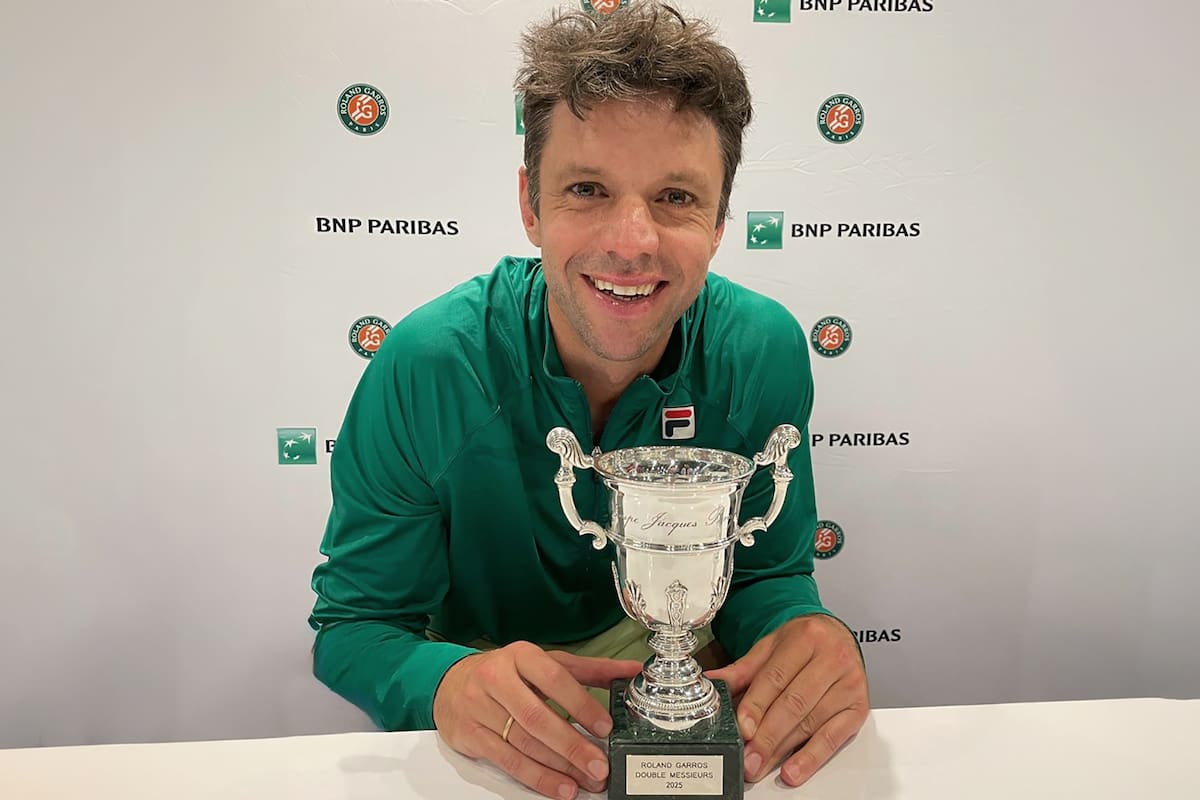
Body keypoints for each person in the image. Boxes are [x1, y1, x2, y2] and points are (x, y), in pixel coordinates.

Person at [309, 4, 869, 798]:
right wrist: (443, 684)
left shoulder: (762, 349)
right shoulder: (428, 363)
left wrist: (806, 636)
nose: (631, 241)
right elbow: (356, 626)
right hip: (491, 711)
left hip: (690, 705)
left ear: (720, 222)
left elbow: (766, 574)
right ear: (530, 205)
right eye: (587, 189)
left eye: (675, 197)